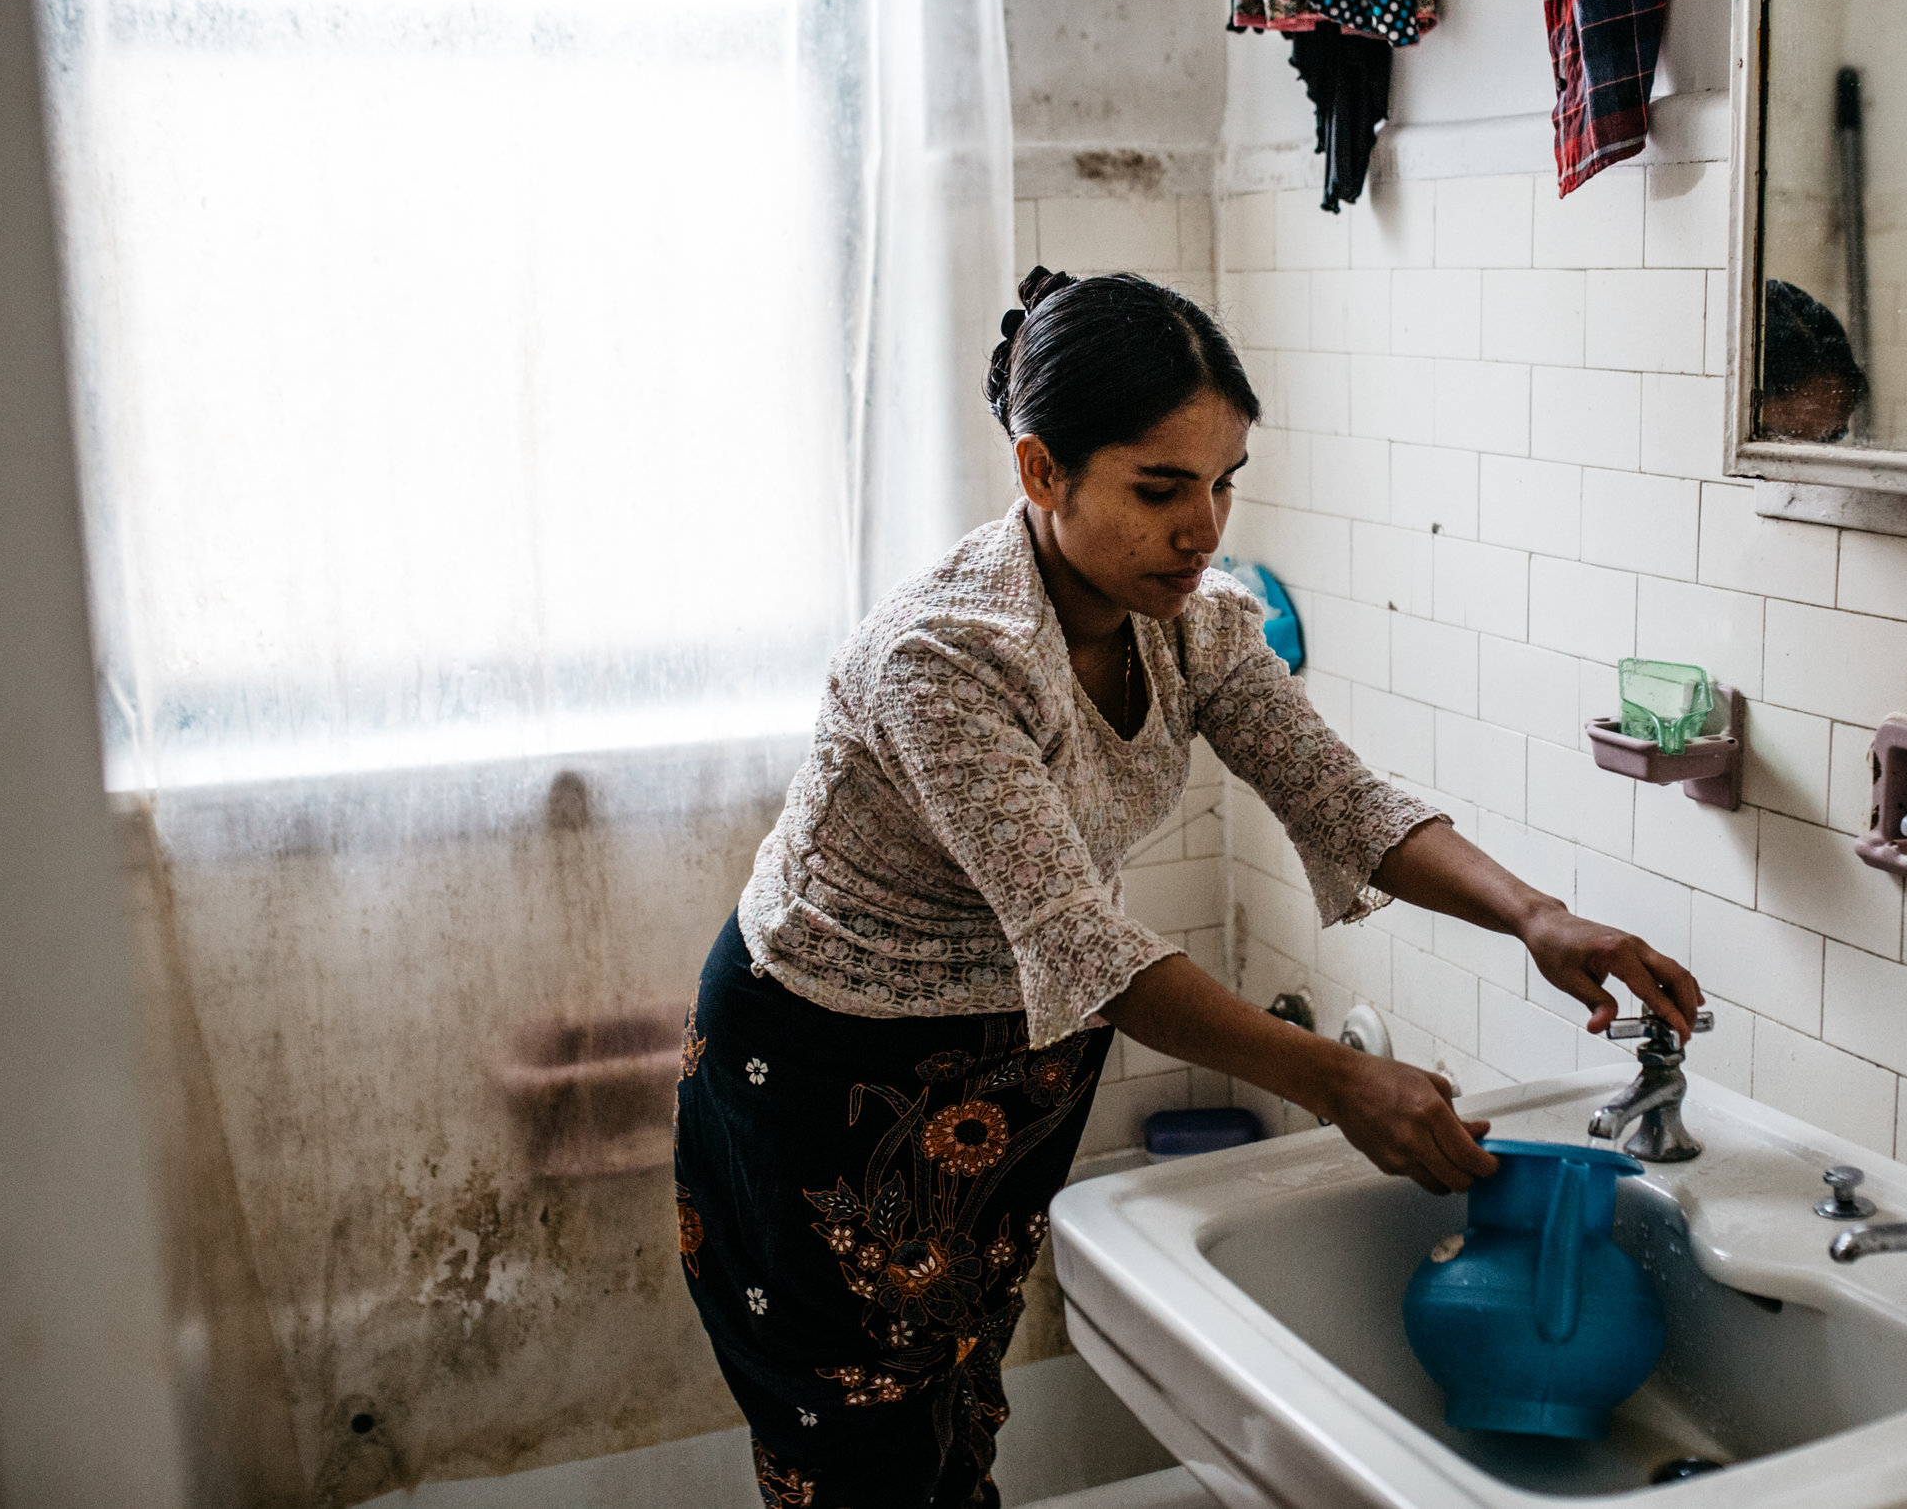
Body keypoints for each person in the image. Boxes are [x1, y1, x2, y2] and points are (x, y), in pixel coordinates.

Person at [675, 266, 1703, 1508]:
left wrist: (1539, 915)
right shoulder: (940, 658)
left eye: (1223, 484)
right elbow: (1085, 940)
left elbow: (1342, 798)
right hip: (834, 1071)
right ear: (1041, 470)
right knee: (855, 1451)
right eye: (1159, 488)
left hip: (1020, 1057)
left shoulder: (1196, 622)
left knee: (958, 1412)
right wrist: (1335, 1079)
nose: (1203, 527)